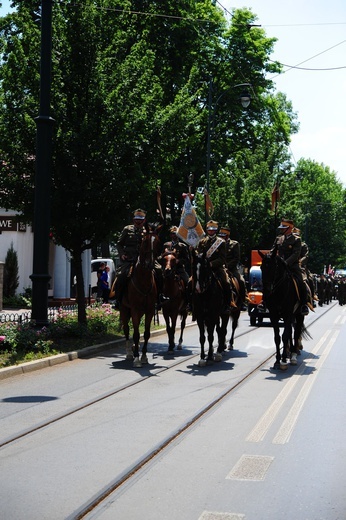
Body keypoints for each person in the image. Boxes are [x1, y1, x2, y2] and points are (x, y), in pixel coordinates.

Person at [112, 208, 165, 309]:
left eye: (141, 219)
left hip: (145, 259)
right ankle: (118, 300)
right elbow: (119, 244)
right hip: (130, 259)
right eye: (137, 219)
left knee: (158, 271)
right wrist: (122, 254)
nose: (138, 221)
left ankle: (160, 297)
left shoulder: (147, 231)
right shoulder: (127, 229)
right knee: (121, 275)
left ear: (144, 220)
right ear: (133, 220)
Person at [259, 218, 309, 315]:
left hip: (292, 266)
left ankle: (303, 304)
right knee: (267, 281)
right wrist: (268, 257)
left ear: (289, 228)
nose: (281, 230)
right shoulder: (278, 238)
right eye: (281, 228)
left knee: (301, 282)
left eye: (284, 228)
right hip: (279, 266)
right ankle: (264, 302)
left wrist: (286, 263)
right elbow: (273, 251)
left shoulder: (296, 239)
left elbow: (295, 254)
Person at [196, 220, 232, 313]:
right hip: (203, 268)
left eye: (213, 230)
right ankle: (191, 304)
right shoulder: (202, 241)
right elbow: (198, 253)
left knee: (226, 283)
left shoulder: (221, 242)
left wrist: (211, 264)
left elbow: (222, 258)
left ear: (216, 230)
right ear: (207, 230)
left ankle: (228, 304)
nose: (211, 231)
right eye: (209, 229)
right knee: (191, 282)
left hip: (217, 268)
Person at [218, 226, 247, 306]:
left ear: (227, 235)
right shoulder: (216, 244)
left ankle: (242, 300)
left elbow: (236, 258)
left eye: (223, 235)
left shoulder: (234, 244)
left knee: (241, 281)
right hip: (219, 267)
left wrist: (227, 266)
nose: (221, 237)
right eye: (220, 235)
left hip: (231, 269)